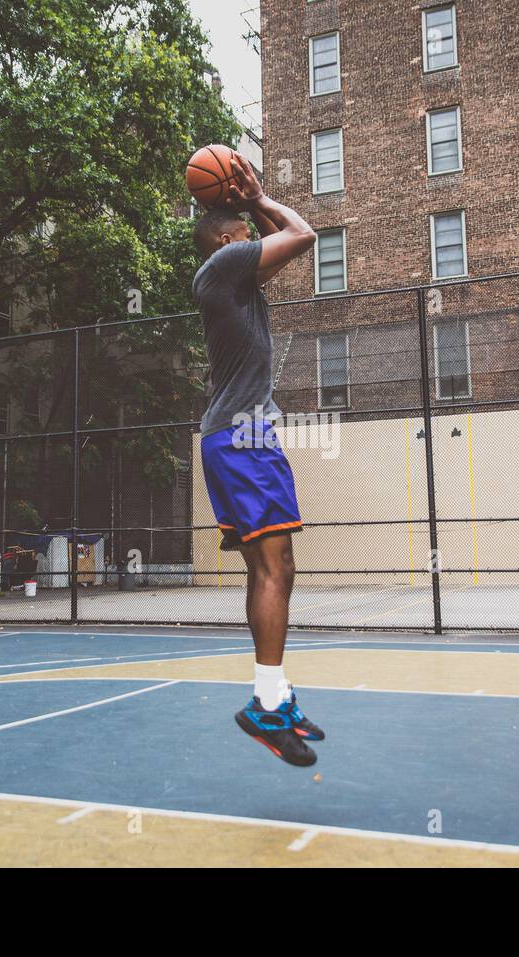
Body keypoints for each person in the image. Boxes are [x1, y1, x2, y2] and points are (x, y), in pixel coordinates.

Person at [191, 150, 324, 767]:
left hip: (236, 438)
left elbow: (283, 242)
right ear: (226, 239)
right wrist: (255, 200)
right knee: (276, 570)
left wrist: (253, 207)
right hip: (244, 438)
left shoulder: (230, 277)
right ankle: (267, 707)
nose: (253, 238)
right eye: (244, 231)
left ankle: (274, 693)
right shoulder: (224, 263)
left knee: (272, 567)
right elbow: (302, 234)